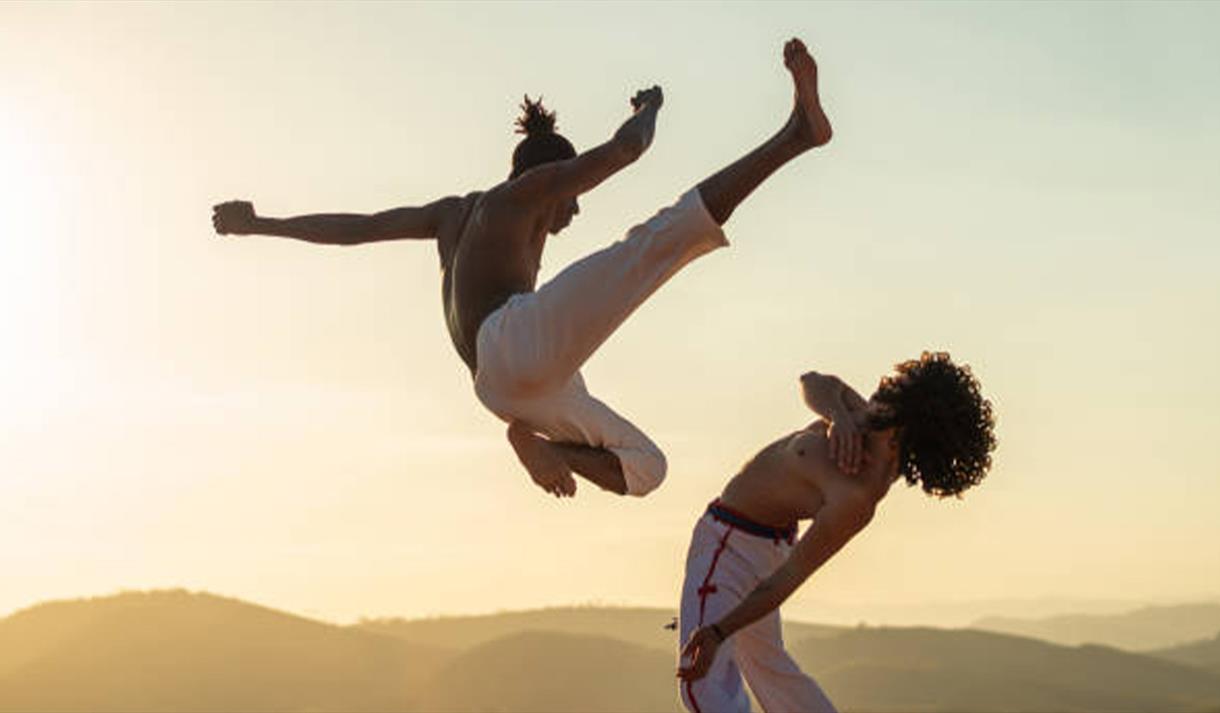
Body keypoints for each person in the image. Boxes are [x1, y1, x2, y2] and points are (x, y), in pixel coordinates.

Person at [213, 38, 832, 499]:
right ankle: (795, 136)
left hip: (502, 387)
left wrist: (262, 223)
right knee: (655, 243)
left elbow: (356, 229)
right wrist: (651, 106)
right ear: (545, 179)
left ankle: (529, 442)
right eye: (571, 198)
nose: (574, 210)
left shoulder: (452, 214)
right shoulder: (528, 192)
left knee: (647, 467)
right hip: (514, 346)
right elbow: (626, 150)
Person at [676, 353, 997, 713]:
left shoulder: (858, 496)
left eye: (896, 386)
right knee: (771, 667)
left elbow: (788, 579)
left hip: (728, 543)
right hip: (759, 546)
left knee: (699, 687)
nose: (884, 383)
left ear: (911, 417)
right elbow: (812, 380)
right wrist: (839, 417)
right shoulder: (863, 418)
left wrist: (717, 629)